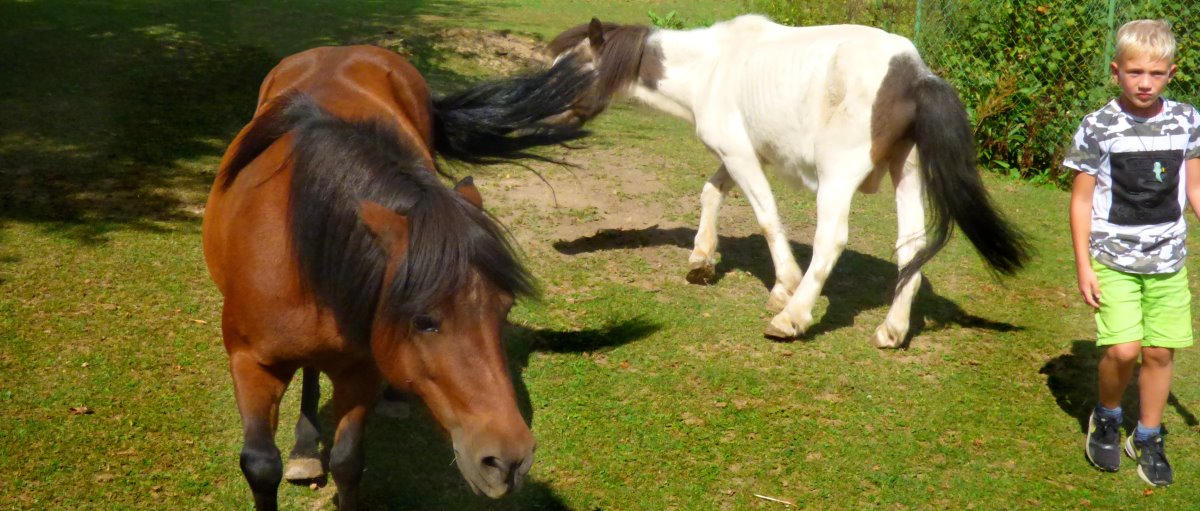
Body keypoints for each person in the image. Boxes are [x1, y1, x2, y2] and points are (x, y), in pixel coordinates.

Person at [1066, 18, 1200, 487]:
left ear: (1171, 72)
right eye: (1135, 72)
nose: (1145, 83)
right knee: (1123, 350)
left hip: (1168, 262)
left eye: (1156, 73)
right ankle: (1105, 415)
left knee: (1160, 352)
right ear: (1116, 70)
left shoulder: (1187, 120)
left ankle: (1146, 435)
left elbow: (1194, 187)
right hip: (1112, 260)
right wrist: (1084, 263)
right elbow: (1081, 199)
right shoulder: (1097, 126)